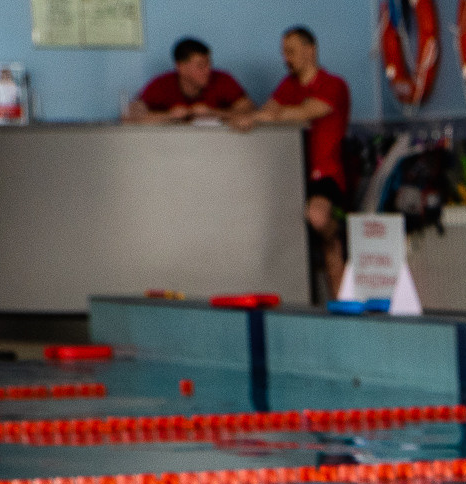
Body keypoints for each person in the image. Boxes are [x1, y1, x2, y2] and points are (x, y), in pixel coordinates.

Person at [234, 27, 352, 296]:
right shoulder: (288, 86)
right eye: (284, 53)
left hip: (326, 174)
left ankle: (338, 231)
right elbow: (268, 111)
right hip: (291, 174)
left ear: (311, 50)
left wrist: (261, 117)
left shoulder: (334, 85)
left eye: (291, 52)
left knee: (320, 220)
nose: (286, 59)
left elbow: (303, 113)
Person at [124, 37, 255, 123]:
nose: (207, 70)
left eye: (209, 64)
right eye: (200, 66)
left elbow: (250, 110)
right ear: (180, 67)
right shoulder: (162, 85)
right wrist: (170, 116)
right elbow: (129, 118)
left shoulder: (222, 80)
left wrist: (214, 113)